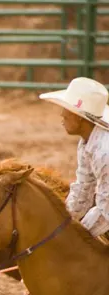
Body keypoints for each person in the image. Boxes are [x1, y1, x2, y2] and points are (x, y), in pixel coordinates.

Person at [40, 77, 109, 242]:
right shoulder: (87, 142)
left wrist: (75, 236)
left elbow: (106, 209)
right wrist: (63, 223)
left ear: (79, 117)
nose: (62, 115)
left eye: (67, 110)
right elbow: (83, 188)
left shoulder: (104, 152)